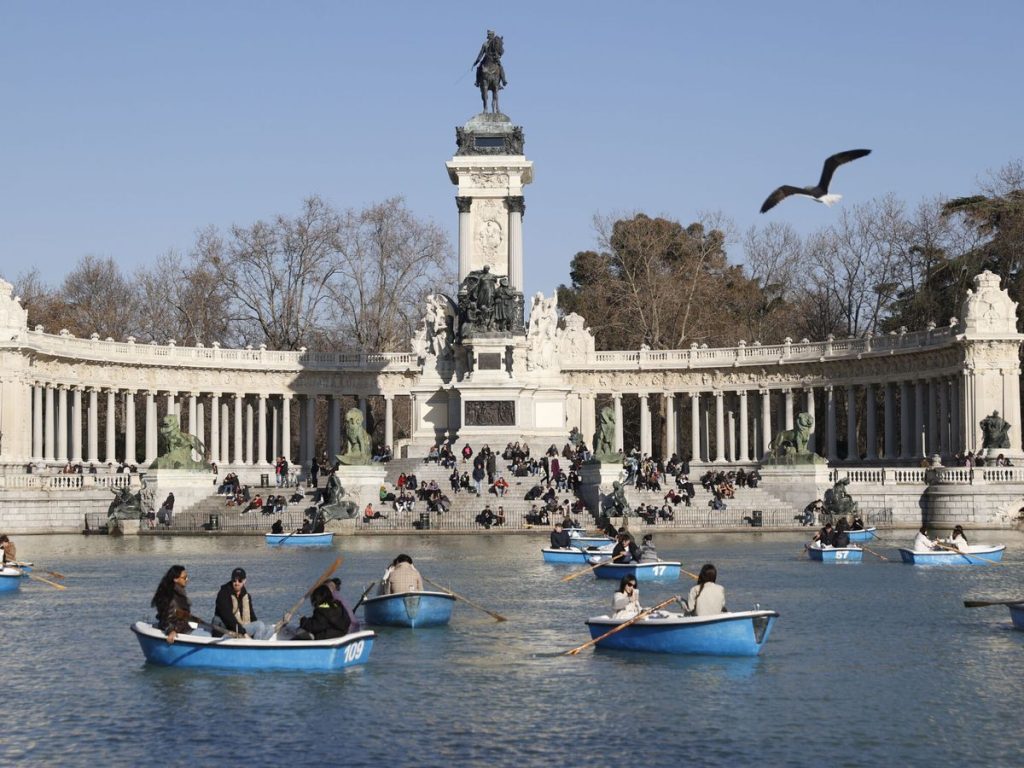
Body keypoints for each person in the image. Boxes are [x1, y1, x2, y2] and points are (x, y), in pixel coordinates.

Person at [213, 568, 271, 639]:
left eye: (240, 580)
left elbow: (252, 617)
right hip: (229, 630)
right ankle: (253, 644)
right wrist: (244, 633)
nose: (237, 583)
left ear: (244, 581)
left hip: (242, 627)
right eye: (234, 580)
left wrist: (253, 631)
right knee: (259, 625)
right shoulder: (223, 594)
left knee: (270, 629)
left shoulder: (246, 595)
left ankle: (255, 642)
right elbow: (228, 618)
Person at [150, 565, 199, 644]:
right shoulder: (171, 597)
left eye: (187, 577)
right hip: (179, 631)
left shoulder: (178, 593)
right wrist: (172, 631)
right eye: (184, 578)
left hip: (183, 629)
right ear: (175, 579)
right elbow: (168, 617)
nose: (187, 580)